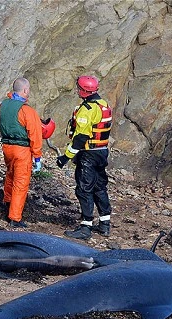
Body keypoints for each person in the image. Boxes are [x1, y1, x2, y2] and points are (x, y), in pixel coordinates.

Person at [56, 76, 113, 240]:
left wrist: (65, 157)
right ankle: (104, 224)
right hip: (102, 152)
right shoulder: (103, 105)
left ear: (83, 90)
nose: (76, 90)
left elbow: (80, 137)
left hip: (88, 154)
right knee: (99, 186)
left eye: (78, 88)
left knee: (84, 188)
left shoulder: (86, 110)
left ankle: (86, 226)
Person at [0, 77, 49, 228]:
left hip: (7, 147)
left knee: (10, 175)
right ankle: (15, 217)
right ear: (25, 90)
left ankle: (7, 202)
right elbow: (35, 135)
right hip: (22, 150)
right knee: (20, 182)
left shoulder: (3, 105)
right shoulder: (27, 110)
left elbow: (2, 122)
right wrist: (37, 157)